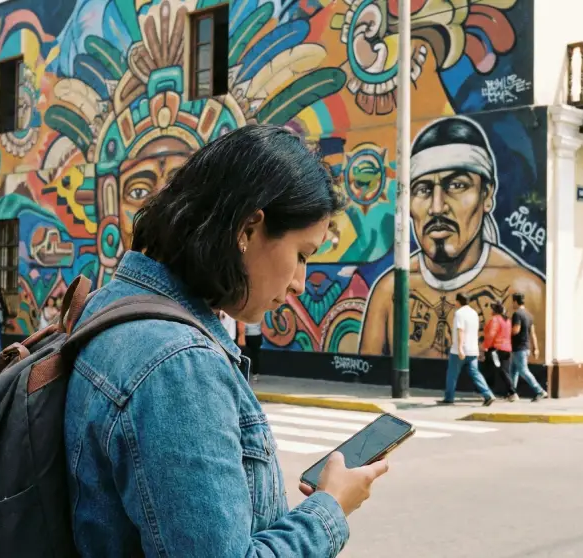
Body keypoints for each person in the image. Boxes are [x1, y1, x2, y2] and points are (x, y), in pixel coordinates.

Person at [64, 125, 388, 557]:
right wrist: (330, 509)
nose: (300, 283)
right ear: (248, 229)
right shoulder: (178, 366)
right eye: (302, 254)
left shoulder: (113, 302)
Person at [359, 116, 545, 358]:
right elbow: (367, 372)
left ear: (487, 195)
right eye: (423, 190)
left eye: (456, 185)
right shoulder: (389, 291)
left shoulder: (526, 290)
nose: (437, 207)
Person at [438, 292, 494, 406]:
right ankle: (488, 395)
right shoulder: (474, 313)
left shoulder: (459, 313)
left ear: (458, 301)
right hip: (473, 349)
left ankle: (449, 398)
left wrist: (459, 348)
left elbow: (460, 330)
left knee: (452, 374)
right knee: (475, 373)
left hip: (460, 350)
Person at [510, 293, 548, 401]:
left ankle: (539, 391)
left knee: (523, 371)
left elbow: (516, 330)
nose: (512, 304)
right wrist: (535, 348)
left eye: (513, 302)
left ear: (516, 302)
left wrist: (507, 333)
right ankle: (512, 393)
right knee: (513, 370)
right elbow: (533, 333)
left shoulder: (517, 314)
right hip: (524, 347)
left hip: (519, 348)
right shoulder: (529, 315)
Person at [482, 302, 514, 401]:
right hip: (507, 348)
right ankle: (512, 392)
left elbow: (491, 335)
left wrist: (485, 346)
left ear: (495, 311)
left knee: (489, 371)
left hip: (495, 349)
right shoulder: (507, 320)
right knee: (504, 372)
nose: (490, 311)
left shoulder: (495, 320)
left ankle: (488, 393)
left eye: (492, 309)